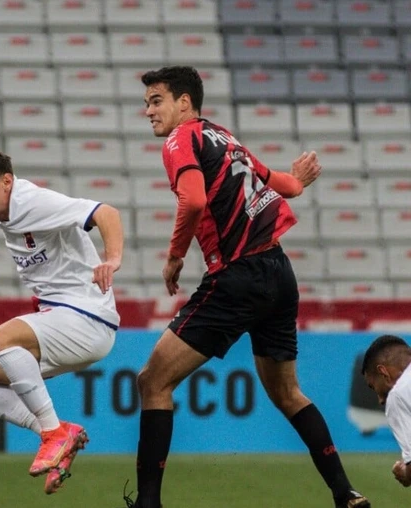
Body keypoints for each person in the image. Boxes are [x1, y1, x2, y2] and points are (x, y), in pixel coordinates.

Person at [128, 66, 369, 508]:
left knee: (152, 381)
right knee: (287, 392)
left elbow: (195, 200)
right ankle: (344, 492)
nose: (148, 110)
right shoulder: (225, 137)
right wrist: (299, 178)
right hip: (278, 272)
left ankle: (148, 503)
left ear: (185, 102)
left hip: (236, 276)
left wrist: (175, 255)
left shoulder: (181, 140)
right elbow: (281, 185)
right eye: (147, 102)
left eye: (156, 100)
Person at [0, 147, 124, 494]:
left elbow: (107, 213)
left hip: (87, 317)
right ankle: (61, 431)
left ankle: (52, 434)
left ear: (7, 181)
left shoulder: (34, 203)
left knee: (0, 339)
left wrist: (113, 259)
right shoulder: (7, 204)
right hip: (62, 316)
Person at [361, 334, 411, 488]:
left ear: (383, 372)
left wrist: (405, 474)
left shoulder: (398, 395)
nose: (380, 400)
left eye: (373, 386)